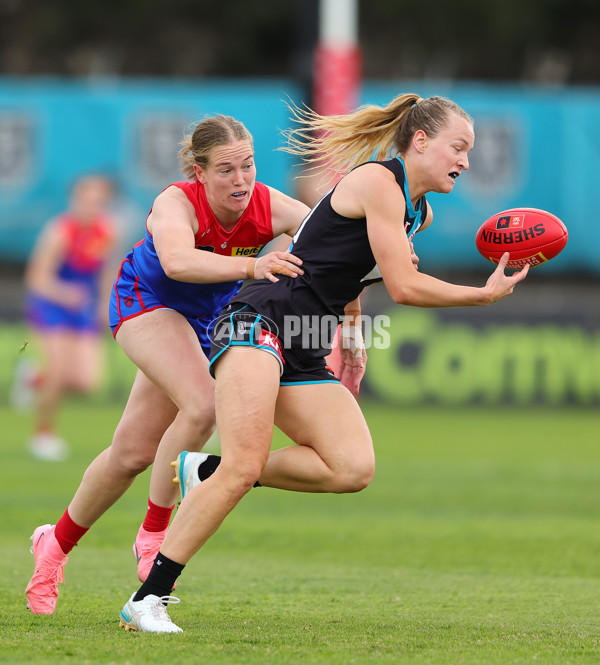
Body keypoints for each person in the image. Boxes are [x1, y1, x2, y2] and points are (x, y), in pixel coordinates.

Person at [117, 93, 529, 634]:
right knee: (245, 464)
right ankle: (148, 598)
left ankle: (206, 470)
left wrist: (353, 338)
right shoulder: (381, 183)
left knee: (351, 468)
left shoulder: (417, 210)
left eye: (470, 151)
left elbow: (349, 270)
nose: (467, 162)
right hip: (257, 323)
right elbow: (402, 287)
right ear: (421, 141)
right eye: (459, 147)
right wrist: (481, 296)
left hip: (304, 339)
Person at [24, 114, 323, 615]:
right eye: (226, 170)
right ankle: (154, 532)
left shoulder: (271, 205)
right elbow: (178, 263)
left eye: (248, 166)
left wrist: (387, 249)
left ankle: (53, 544)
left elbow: (327, 234)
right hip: (146, 303)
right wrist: (255, 265)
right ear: (199, 171)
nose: (241, 180)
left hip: (203, 321)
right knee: (204, 404)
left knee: (132, 454)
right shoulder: (176, 202)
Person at [18, 174, 118, 461]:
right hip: (51, 305)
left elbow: (105, 273)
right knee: (59, 370)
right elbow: (36, 278)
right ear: (75, 199)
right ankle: (43, 434)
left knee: (89, 382)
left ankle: (33, 378)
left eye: (99, 200)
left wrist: (103, 304)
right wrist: (64, 294)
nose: (92, 205)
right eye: (87, 199)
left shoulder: (106, 231)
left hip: (82, 307)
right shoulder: (59, 231)